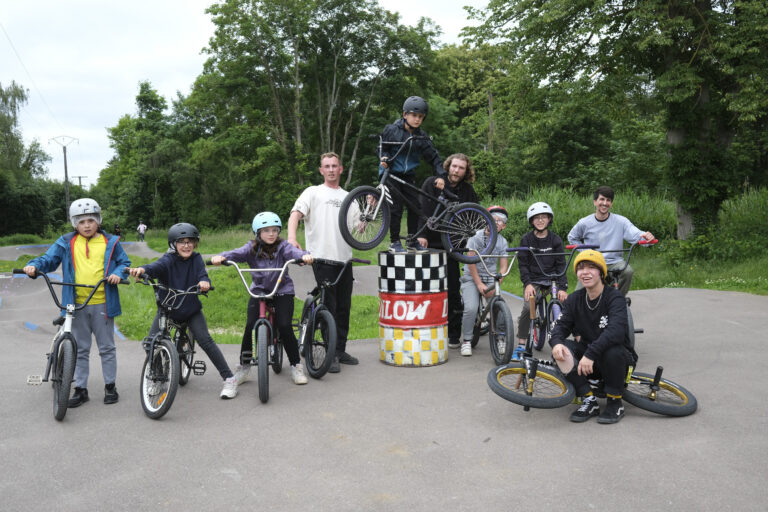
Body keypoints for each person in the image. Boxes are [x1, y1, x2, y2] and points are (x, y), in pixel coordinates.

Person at [23, 198, 130, 407]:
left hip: (103, 303)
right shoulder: (66, 242)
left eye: (91, 220)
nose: (87, 225)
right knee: (80, 348)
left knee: (107, 348)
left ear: (98, 220)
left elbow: (124, 263)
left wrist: (118, 273)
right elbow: (48, 259)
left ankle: (110, 386)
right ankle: (81, 389)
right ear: (74, 223)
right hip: (75, 304)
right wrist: (34, 266)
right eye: (81, 222)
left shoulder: (110, 242)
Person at [127, 223, 239, 399]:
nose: (186, 245)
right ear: (173, 244)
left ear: (195, 243)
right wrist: (142, 270)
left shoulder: (196, 259)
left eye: (190, 242)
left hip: (190, 310)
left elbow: (202, 274)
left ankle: (229, 379)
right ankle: (158, 377)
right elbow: (155, 267)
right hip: (167, 310)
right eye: (181, 242)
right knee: (151, 343)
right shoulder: (168, 259)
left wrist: (204, 282)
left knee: (205, 340)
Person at [211, 212, 313, 386]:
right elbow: (235, 253)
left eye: (274, 230)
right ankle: (244, 367)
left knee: (285, 325)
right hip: (259, 291)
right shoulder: (251, 248)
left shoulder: (283, 247)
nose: (271, 234)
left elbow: (295, 252)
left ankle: (296, 365)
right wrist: (221, 257)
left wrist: (304, 256)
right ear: (258, 233)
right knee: (250, 325)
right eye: (266, 230)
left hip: (282, 290)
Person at [549, 250, 637, 424]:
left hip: (618, 358)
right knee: (562, 350)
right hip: (589, 360)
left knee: (612, 351)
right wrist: (557, 343)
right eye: (581, 268)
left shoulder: (615, 298)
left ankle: (615, 403)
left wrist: (590, 354)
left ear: (601, 272)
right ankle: (588, 399)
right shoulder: (574, 299)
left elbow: (616, 332)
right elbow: (560, 326)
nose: (585, 272)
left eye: (591, 267)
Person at [288, 152, 357, 373]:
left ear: (341, 169)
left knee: (344, 307)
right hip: (321, 258)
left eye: (334, 166)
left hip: (345, 259)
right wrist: (291, 238)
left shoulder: (349, 197)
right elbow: (295, 214)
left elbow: (359, 229)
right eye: (327, 166)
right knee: (330, 306)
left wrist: (369, 211)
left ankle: (340, 350)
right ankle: (329, 353)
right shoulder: (313, 192)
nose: (331, 169)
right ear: (321, 170)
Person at [417, 153, 478, 349]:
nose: (456, 171)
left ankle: (453, 334)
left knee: (452, 289)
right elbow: (422, 209)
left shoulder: (468, 191)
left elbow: (474, 216)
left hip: (453, 246)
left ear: (466, 172)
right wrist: (422, 234)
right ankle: (426, 330)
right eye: (454, 166)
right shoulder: (433, 182)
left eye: (461, 168)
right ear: (448, 166)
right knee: (426, 289)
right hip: (430, 243)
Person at [379, 95, 445, 253]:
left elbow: (434, 158)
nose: (417, 119)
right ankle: (395, 242)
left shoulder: (421, 137)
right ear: (405, 114)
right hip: (390, 173)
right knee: (395, 208)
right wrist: (384, 157)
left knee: (415, 206)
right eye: (414, 115)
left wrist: (441, 175)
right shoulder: (392, 130)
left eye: (421, 117)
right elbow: (382, 148)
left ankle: (412, 240)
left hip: (408, 175)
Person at [567, 186, 655, 296]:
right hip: (593, 261)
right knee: (578, 296)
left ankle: (617, 299)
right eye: (602, 199)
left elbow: (636, 234)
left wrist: (646, 237)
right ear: (595, 202)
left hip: (615, 262)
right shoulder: (584, 223)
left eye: (608, 200)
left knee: (627, 271)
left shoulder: (621, 221)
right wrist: (585, 252)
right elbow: (572, 237)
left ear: (611, 203)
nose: (605, 203)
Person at [514, 202, 568, 359]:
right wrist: (527, 284)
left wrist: (562, 287)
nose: (540, 220)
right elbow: (523, 265)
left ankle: (576, 341)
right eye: (536, 218)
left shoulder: (555, 240)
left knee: (568, 305)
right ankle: (521, 344)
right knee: (527, 307)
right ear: (531, 221)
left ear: (549, 219)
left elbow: (561, 265)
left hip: (553, 279)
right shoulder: (526, 240)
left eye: (544, 217)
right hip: (534, 281)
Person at [459, 205, 510, 357]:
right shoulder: (475, 237)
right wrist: (479, 284)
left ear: (504, 226)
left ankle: (500, 338)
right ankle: (467, 340)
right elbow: (471, 262)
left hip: (490, 277)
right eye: (492, 219)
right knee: (471, 308)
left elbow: (503, 266)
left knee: (498, 306)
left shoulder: (502, 242)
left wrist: (497, 283)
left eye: (500, 221)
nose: (495, 223)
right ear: (486, 220)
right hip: (472, 277)